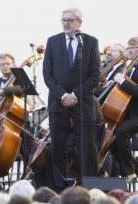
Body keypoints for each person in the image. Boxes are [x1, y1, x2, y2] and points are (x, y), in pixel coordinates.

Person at [43, 7, 100, 192]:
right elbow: (47, 74)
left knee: (87, 147)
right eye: (63, 20)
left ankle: (90, 188)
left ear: (79, 23)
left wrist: (75, 94)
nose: (66, 23)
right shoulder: (53, 42)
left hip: (82, 102)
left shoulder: (90, 42)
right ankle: (60, 188)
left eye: (70, 20)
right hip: (58, 102)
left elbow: (94, 75)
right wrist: (63, 95)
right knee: (58, 147)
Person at [111, 36, 138, 183]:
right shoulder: (131, 66)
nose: (128, 51)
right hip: (129, 112)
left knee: (122, 131)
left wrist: (121, 81)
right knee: (113, 139)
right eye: (127, 48)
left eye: (131, 48)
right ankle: (133, 168)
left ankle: (129, 172)